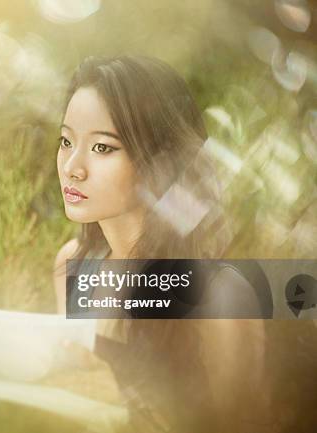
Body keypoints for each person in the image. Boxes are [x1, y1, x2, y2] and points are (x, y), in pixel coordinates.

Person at [52, 56, 274, 432]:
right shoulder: (75, 263)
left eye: (103, 148)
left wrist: (121, 408)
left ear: (159, 162)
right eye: (66, 140)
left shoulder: (218, 294)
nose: (73, 166)